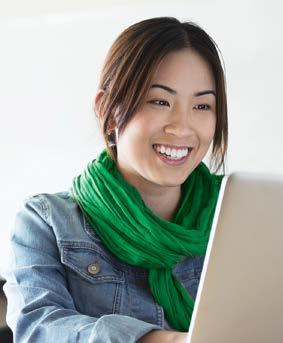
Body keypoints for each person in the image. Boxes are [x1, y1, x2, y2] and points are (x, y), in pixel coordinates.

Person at [3, 16, 228, 343]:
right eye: (160, 101)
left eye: (202, 105)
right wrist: (162, 340)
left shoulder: (237, 213)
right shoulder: (46, 221)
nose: (182, 127)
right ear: (107, 109)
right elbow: (37, 328)